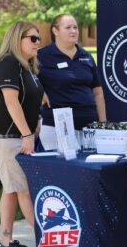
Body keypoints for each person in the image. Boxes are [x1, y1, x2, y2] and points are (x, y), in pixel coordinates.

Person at [0, 21, 44, 247]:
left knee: (11, 189)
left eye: (39, 38)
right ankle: (47, 241)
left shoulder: (28, 67)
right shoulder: (9, 63)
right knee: (24, 190)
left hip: (17, 137)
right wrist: (27, 133)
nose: (38, 43)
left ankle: (5, 242)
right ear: (17, 39)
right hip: (6, 139)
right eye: (33, 38)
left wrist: (36, 119)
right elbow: (11, 102)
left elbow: (31, 100)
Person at [37, 14, 106, 149]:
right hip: (55, 127)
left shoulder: (86, 56)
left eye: (75, 27)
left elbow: (97, 92)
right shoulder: (42, 56)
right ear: (55, 31)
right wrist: (39, 92)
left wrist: (102, 123)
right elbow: (27, 82)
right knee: (58, 169)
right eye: (68, 27)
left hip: (88, 127)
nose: (74, 31)